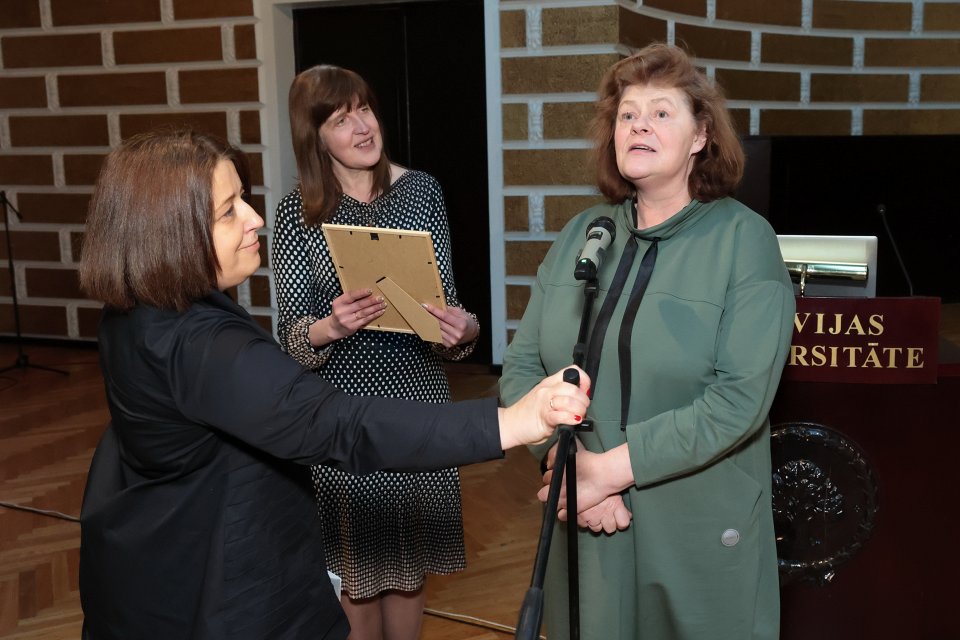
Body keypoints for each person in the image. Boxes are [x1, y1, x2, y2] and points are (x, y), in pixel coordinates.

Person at [77, 129, 590, 640]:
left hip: (156, 569)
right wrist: (513, 420)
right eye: (229, 210)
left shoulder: (132, 312)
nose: (255, 219)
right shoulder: (201, 343)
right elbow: (341, 426)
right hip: (223, 592)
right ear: (171, 233)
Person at [499, 43, 795, 640]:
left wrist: (611, 469)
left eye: (662, 113)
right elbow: (525, 363)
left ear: (700, 137)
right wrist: (567, 463)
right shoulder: (585, 232)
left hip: (694, 523)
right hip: (585, 513)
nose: (639, 125)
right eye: (628, 114)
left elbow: (740, 398)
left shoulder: (744, 240)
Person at [272, 65, 479, 640]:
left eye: (365, 110)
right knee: (358, 569)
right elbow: (291, 336)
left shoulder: (422, 191)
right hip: (340, 407)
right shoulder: (298, 213)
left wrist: (464, 331)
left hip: (416, 398)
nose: (362, 127)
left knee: (409, 568)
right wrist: (331, 326)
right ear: (315, 138)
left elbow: (451, 310)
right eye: (341, 120)